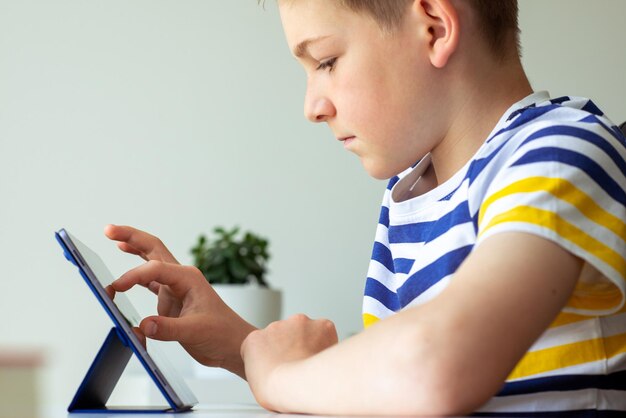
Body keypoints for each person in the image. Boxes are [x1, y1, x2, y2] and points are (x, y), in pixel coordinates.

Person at [105, 0, 626, 415]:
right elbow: (392, 387)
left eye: (326, 62)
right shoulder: (411, 194)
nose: (312, 107)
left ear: (435, 29)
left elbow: (434, 370)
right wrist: (247, 349)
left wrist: (279, 376)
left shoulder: (558, 155)